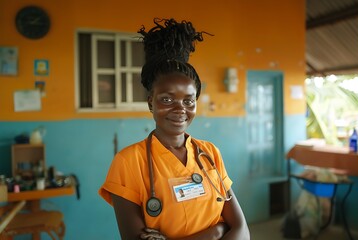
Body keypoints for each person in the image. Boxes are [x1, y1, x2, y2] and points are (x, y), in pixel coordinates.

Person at [99, 18, 250, 240]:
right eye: (167, 99)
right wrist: (216, 232)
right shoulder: (128, 162)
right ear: (151, 102)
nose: (180, 109)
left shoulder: (209, 153)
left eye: (189, 100)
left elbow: (242, 230)